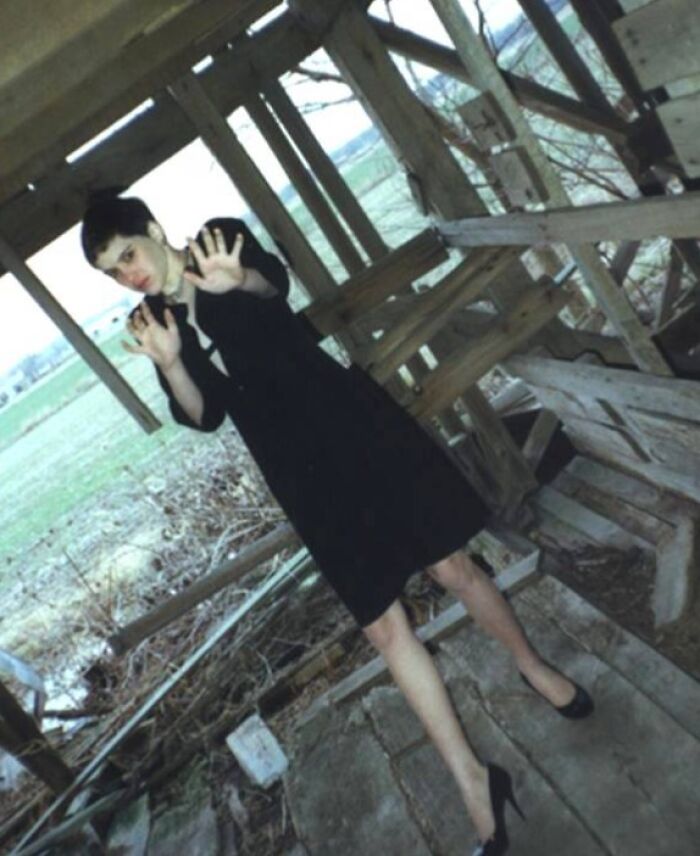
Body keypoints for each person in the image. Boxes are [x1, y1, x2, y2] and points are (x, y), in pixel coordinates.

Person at [81, 193, 593, 855]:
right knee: (382, 626)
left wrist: (241, 281)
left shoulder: (218, 244)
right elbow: (204, 415)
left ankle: (531, 664)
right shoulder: (157, 322)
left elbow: (275, 285)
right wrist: (173, 361)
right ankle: (474, 780)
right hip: (302, 478)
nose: (129, 275)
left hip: (354, 428)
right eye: (113, 273)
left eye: (128, 254)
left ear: (153, 229)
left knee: (451, 565)